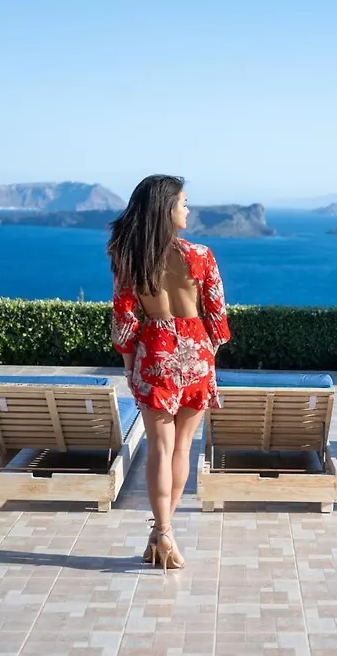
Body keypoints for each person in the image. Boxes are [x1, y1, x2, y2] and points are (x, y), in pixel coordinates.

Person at [107, 174, 230, 571]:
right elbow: (218, 319)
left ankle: (162, 531)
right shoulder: (201, 255)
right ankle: (163, 532)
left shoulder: (131, 258)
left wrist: (130, 365)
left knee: (159, 448)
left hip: (154, 353)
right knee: (182, 449)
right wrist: (205, 353)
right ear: (167, 209)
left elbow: (125, 319)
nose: (188, 210)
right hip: (197, 353)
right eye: (183, 203)